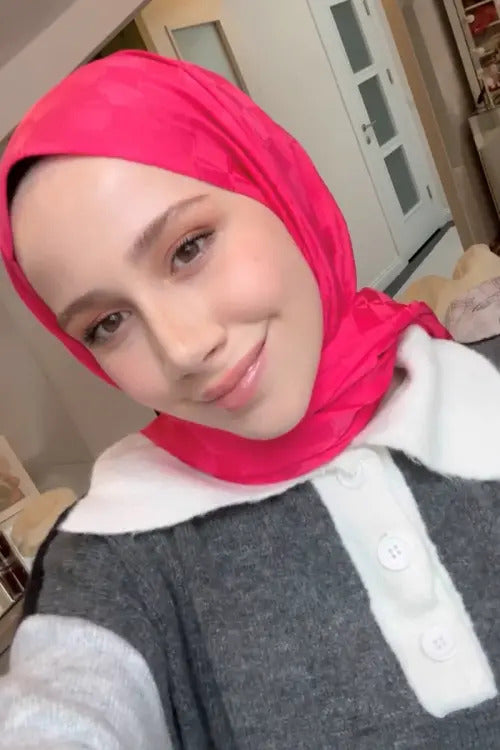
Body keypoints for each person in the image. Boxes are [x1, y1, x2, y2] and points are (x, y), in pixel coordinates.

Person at [0, 50, 499, 750]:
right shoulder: (115, 560)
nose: (183, 349)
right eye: (107, 324)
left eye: (188, 248)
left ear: (273, 185)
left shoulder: (479, 378)